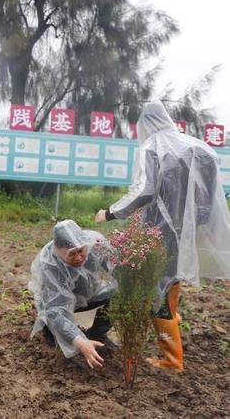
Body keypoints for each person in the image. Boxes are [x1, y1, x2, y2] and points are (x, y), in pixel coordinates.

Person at [95, 100, 230, 372]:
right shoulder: (198, 148)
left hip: (160, 233)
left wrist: (109, 212)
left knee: (155, 293)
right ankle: (167, 327)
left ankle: (172, 360)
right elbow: (206, 199)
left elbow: (145, 190)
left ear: (145, 124)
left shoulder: (153, 147)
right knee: (171, 283)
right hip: (188, 233)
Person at [29, 220, 117, 369]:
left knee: (118, 294)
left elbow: (118, 269)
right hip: (58, 300)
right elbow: (55, 310)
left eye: (81, 250)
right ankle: (51, 332)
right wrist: (80, 342)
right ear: (58, 250)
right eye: (72, 254)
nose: (78, 257)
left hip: (89, 291)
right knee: (55, 327)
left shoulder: (96, 245)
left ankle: (97, 333)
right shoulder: (50, 265)